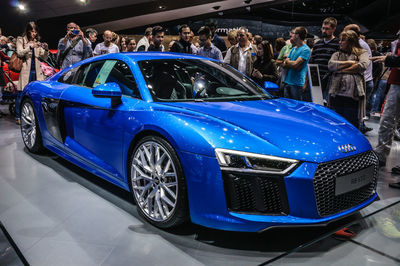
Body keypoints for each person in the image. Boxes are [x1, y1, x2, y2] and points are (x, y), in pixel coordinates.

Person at [371, 44, 400, 189]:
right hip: (395, 82)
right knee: (387, 120)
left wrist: (388, 59)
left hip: (396, 82)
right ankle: (381, 154)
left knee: (388, 120)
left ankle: (381, 154)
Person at [327, 30, 369, 129]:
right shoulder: (337, 54)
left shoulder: (362, 52)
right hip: (336, 94)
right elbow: (331, 65)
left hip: (354, 95)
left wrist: (340, 70)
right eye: (340, 40)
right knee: (336, 122)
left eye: (343, 40)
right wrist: (350, 62)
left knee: (351, 123)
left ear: (351, 41)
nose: (340, 42)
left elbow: (362, 65)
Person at [16, 21, 49, 123]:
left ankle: (35, 115)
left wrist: (46, 49)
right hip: (26, 71)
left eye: (35, 31)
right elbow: (19, 52)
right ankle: (18, 116)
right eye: (32, 31)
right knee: (22, 94)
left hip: (37, 71)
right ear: (28, 31)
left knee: (36, 94)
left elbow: (44, 57)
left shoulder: (37, 41)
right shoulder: (21, 39)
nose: (34, 33)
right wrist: (29, 47)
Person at [309, 17, 340, 102]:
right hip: (316, 80)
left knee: (328, 105)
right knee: (315, 104)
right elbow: (311, 62)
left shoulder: (338, 43)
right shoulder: (317, 44)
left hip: (330, 80)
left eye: (327, 29)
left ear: (333, 29)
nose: (324, 31)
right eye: (323, 28)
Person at [282, 26, 311, 100]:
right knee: (286, 107)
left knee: (296, 108)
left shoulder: (306, 49)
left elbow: (294, 64)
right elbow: (284, 64)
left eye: (294, 33)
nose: (291, 36)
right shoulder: (293, 49)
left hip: (297, 84)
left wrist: (288, 61)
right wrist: (290, 63)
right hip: (287, 82)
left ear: (297, 35)